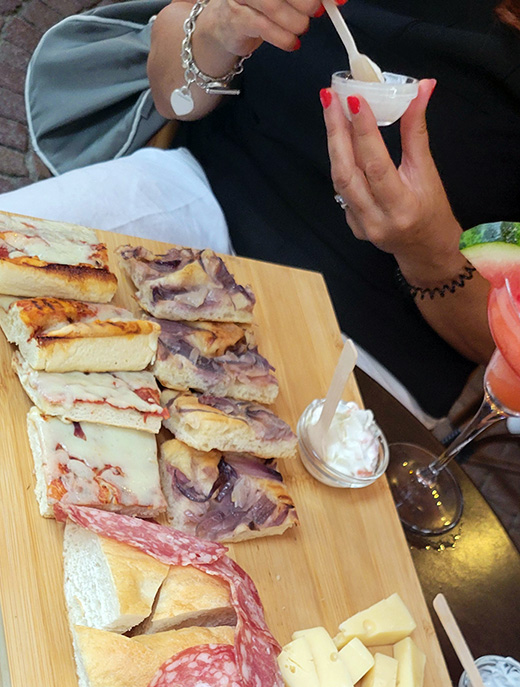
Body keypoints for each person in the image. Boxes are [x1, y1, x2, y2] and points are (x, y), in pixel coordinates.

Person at [147, 0, 520, 421]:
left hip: (358, 345)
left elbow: (504, 350)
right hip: (185, 204)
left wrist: (428, 249)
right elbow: (169, 94)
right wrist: (215, 27)